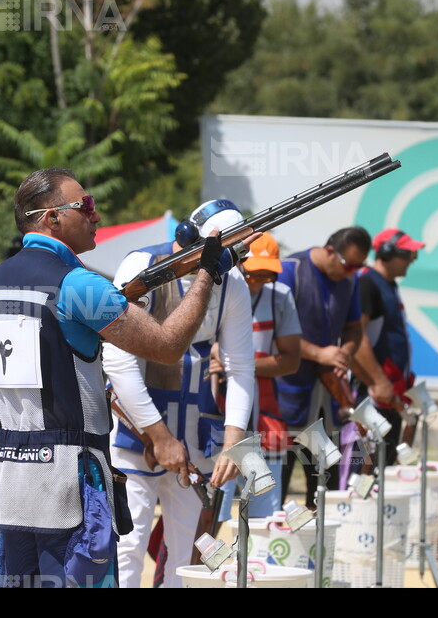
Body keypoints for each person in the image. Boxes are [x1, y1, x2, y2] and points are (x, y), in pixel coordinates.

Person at [0, 168, 240, 588]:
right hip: (72, 482)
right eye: (86, 206)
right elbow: (168, 346)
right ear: (51, 218)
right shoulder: (78, 284)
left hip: (12, 479)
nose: (96, 216)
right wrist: (206, 272)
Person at [104, 198, 256, 588]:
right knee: (127, 545)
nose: (237, 260)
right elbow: (119, 363)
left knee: (187, 552)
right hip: (133, 428)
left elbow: (240, 367)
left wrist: (233, 440)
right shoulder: (142, 267)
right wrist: (158, 436)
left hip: (195, 430)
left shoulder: (232, 281)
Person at [275, 226, 368, 507]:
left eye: (359, 267)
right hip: (286, 396)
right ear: (330, 251)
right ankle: (276, 546)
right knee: (277, 478)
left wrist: (343, 355)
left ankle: (319, 544)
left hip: (327, 400)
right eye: (348, 264)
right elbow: (273, 334)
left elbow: (354, 330)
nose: (352, 272)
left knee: (323, 478)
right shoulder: (290, 271)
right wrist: (320, 354)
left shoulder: (349, 282)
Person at [211, 232, 301, 519]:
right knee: (213, 510)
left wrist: (235, 365)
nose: (257, 282)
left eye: (266, 275)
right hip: (214, 417)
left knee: (264, 511)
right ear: (238, 265)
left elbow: (291, 361)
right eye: (253, 274)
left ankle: (257, 564)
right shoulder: (214, 289)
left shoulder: (280, 297)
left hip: (265, 419)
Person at [349, 228, 425, 467]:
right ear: (387, 252)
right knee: (363, 467)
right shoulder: (368, 283)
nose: (412, 261)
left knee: (384, 464)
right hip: (370, 392)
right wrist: (378, 382)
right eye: (408, 255)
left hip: (387, 392)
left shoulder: (387, 285)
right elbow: (357, 338)